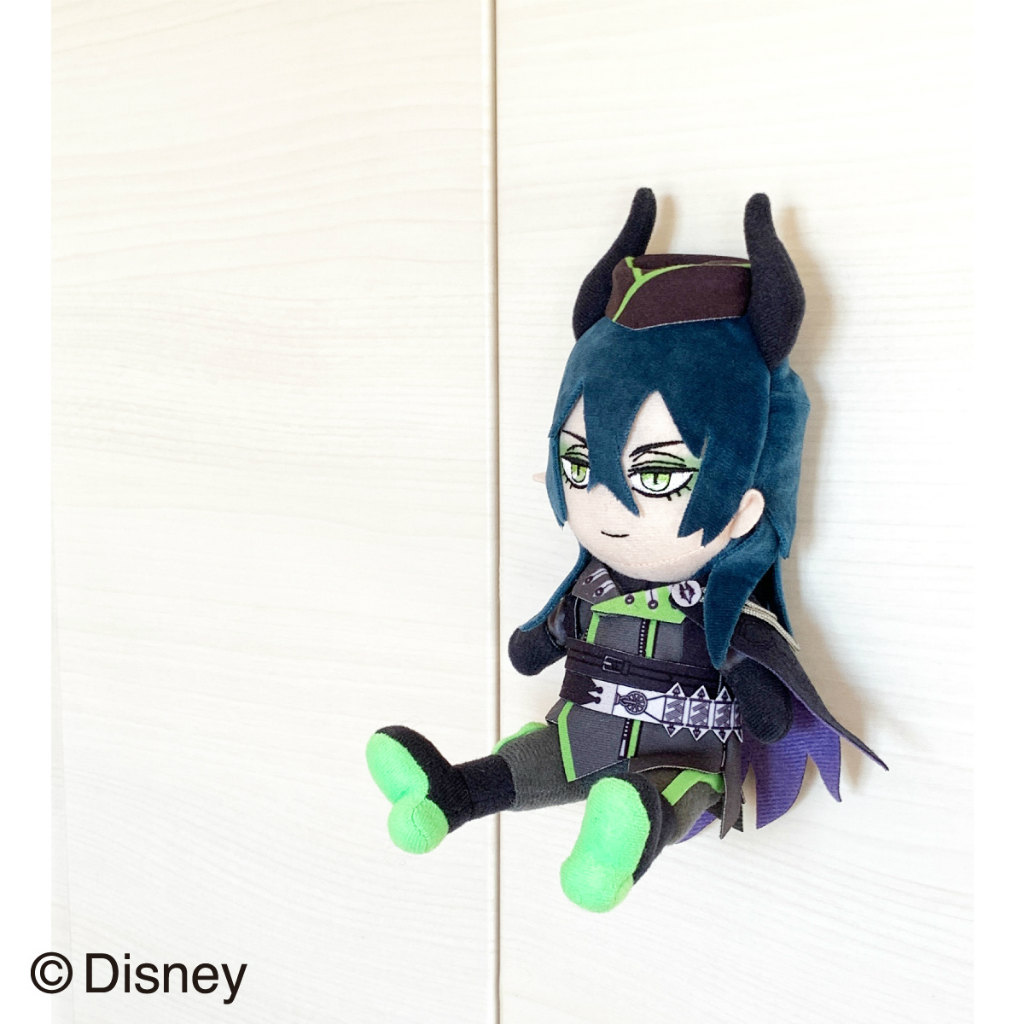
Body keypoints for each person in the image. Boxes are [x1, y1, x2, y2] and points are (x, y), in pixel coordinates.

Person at [367, 190, 884, 912]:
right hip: (578, 731)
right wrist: (539, 640)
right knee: (529, 759)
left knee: (664, 792)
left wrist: (761, 696)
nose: (606, 509)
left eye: (658, 475)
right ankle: (449, 795)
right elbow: (531, 650)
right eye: (580, 465)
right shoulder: (591, 586)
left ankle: (623, 842)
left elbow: (766, 713)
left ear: (746, 504)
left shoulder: (718, 609)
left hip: (682, 753)